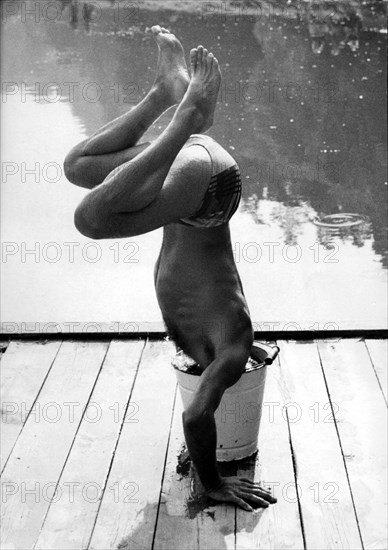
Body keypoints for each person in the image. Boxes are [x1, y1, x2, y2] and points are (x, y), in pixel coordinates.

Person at [64, 25, 277, 512]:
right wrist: (213, 483)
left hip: (191, 186)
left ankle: (164, 93)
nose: (214, 380)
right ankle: (187, 117)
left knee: (77, 165)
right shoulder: (235, 344)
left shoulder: (214, 344)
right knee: (90, 220)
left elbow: (199, 407)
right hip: (209, 194)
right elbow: (197, 416)